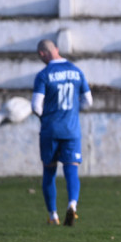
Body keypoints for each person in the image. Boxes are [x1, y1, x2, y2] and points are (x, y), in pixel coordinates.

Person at [32, 40, 92, 226]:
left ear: (42, 54)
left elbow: (35, 106)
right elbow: (88, 101)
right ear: (56, 50)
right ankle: (72, 205)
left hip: (50, 129)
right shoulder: (76, 71)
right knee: (71, 170)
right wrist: (73, 112)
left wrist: (46, 118)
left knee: (49, 171)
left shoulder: (44, 75)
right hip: (71, 129)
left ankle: (53, 215)